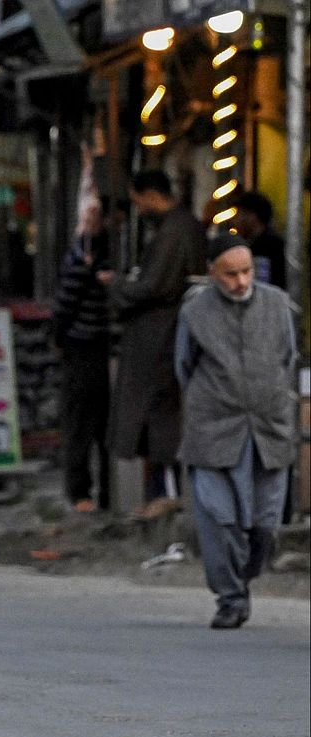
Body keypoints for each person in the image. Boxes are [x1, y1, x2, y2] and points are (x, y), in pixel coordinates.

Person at [176, 235, 299, 629]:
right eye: (230, 275)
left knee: (265, 525)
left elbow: (287, 357)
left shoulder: (277, 305)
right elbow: (184, 366)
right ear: (213, 274)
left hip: (269, 426)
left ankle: (244, 578)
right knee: (219, 517)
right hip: (213, 427)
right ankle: (230, 598)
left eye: (246, 272)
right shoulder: (195, 311)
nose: (241, 282)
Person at [103, 170, 205, 519]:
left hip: (162, 336)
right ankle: (159, 492)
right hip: (161, 334)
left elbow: (154, 287)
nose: (138, 208)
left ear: (149, 195)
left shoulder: (175, 231)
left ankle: (167, 493)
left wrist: (116, 285)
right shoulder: (177, 228)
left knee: (159, 411)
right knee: (154, 412)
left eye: (137, 201)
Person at [54, 195, 114, 513]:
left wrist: (58, 335)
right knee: (100, 424)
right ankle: (98, 493)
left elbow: (66, 302)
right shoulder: (106, 252)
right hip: (99, 347)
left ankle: (82, 494)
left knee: (81, 423)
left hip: (83, 347)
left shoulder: (85, 253)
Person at [233, 191, 287, 290]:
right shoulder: (249, 244)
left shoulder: (270, 247)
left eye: (239, 214)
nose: (235, 221)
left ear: (252, 217)